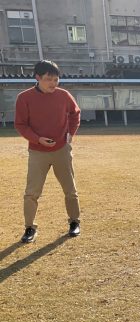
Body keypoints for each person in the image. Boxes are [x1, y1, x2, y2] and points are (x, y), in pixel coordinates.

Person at [14, 60, 81, 243]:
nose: (53, 83)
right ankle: (29, 228)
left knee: (70, 189)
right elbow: (20, 124)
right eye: (48, 79)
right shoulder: (24, 98)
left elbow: (75, 113)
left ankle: (74, 222)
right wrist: (37, 139)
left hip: (62, 150)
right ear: (38, 78)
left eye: (56, 79)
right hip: (37, 152)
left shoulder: (63, 95)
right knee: (31, 192)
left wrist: (70, 134)